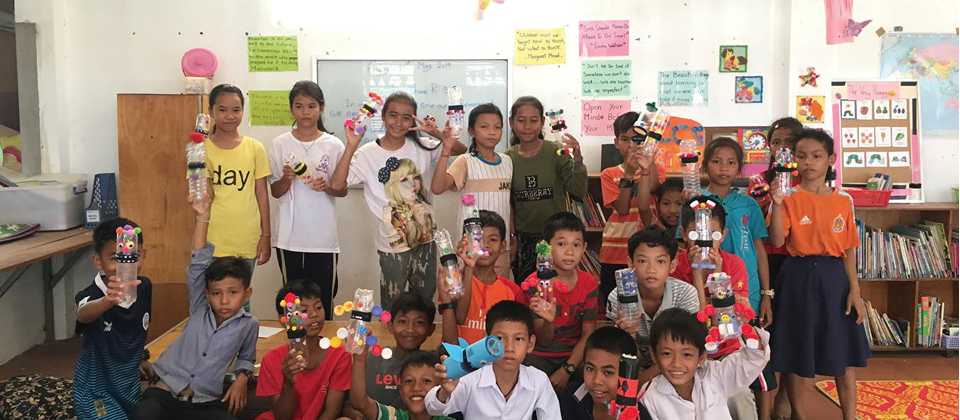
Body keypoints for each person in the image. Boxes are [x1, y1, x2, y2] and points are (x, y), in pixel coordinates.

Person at [329, 91, 466, 309]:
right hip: (391, 245)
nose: (398, 123)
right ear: (382, 117)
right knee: (393, 305)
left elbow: (460, 149)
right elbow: (336, 185)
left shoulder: (422, 144)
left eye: (406, 117)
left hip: (426, 240)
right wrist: (351, 146)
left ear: (413, 120)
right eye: (393, 115)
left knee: (424, 302)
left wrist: (438, 133)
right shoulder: (367, 153)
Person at [768, 128, 870, 420]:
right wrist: (776, 204)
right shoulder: (788, 196)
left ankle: (850, 416)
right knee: (799, 350)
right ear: (793, 160)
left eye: (816, 156)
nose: (808, 163)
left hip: (835, 277)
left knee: (844, 352)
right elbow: (777, 241)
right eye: (801, 156)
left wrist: (855, 290)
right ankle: (799, 414)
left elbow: (849, 249)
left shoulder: (843, 200)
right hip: (797, 276)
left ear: (831, 159)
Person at [137, 190, 258, 419]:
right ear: (206, 293)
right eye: (216, 293)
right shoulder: (200, 307)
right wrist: (203, 216)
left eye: (232, 292)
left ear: (247, 294)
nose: (223, 300)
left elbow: (247, 357)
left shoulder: (249, 324)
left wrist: (242, 379)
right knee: (143, 415)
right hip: (166, 391)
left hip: (204, 401)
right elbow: (199, 261)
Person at [269, 81, 346, 320]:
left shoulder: (333, 145)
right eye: (299, 106)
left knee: (323, 298)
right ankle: (296, 346)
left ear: (321, 108)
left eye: (311, 106)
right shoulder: (280, 143)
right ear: (292, 109)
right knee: (292, 299)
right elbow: (275, 191)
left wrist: (328, 187)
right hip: (289, 238)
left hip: (323, 238)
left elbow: (342, 190)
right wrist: (286, 179)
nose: (305, 112)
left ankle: (324, 350)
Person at [425, 300, 561, 419]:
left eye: (518, 339)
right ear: (487, 340)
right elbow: (432, 408)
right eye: (500, 338)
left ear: (530, 344)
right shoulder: (470, 377)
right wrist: (444, 392)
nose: (509, 347)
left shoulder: (538, 380)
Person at [73, 218, 152, 420]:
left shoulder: (144, 287)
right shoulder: (92, 294)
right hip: (96, 389)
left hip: (128, 384)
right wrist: (107, 301)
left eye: (131, 256)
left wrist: (140, 357)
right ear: (98, 261)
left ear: (142, 256)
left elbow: (137, 327)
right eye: (115, 258)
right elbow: (83, 313)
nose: (124, 265)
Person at [750, 117, 802, 420]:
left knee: (793, 333)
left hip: (797, 261)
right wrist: (774, 195)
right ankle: (765, 394)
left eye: (790, 142)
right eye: (777, 142)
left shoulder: (806, 181)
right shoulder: (760, 181)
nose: (783, 148)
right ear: (769, 146)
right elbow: (759, 224)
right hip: (769, 260)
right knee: (767, 328)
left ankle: (785, 397)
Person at [605, 226, 700, 386]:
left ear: (672, 265)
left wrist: (641, 381)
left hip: (675, 366)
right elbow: (617, 354)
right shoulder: (617, 297)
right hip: (634, 364)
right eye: (642, 261)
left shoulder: (685, 293)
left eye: (660, 261)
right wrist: (628, 337)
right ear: (630, 263)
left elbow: (687, 350)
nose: (651, 269)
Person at [507, 96, 588, 281]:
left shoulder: (557, 152)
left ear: (542, 122)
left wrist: (577, 159)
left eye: (534, 120)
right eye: (521, 120)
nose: (527, 126)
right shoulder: (507, 159)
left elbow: (578, 190)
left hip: (556, 238)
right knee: (528, 292)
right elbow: (508, 203)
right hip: (523, 240)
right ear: (511, 123)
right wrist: (512, 237)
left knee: (558, 292)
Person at [517, 212, 598, 392]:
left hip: (574, 355)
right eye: (561, 244)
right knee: (527, 379)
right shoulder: (534, 284)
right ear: (545, 247)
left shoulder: (590, 283)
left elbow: (588, 334)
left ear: (584, 247)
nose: (570, 252)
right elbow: (543, 340)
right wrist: (549, 320)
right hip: (539, 354)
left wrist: (567, 369)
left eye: (576, 245)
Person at [640, 308, 770, 419]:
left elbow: (754, 358)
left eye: (687, 354)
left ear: (702, 356)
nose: (677, 363)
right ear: (654, 355)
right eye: (667, 354)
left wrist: (745, 328)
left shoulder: (714, 376)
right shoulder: (649, 397)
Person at [431, 103, 513, 278]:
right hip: (471, 248)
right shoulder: (465, 161)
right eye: (484, 126)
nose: (492, 131)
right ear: (471, 131)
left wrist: (512, 237)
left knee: (497, 294)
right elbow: (437, 188)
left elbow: (508, 204)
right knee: (471, 296)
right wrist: (446, 150)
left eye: (497, 127)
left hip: (499, 247)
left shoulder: (507, 161)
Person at [700, 138, 772, 327]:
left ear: (739, 168)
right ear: (705, 166)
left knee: (745, 342)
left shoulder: (749, 204)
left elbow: (760, 250)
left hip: (748, 287)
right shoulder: (697, 202)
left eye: (731, 162)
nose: (723, 168)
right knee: (712, 336)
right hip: (706, 284)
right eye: (716, 161)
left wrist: (766, 294)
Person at [255, 280, 350, 420]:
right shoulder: (271, 360)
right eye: (304, 311)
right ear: (285, 320)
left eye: (318, 307)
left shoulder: (339, 355)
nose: (314, 314)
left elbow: (332, 412)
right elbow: (282, 416)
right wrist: (288, 383)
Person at [598, 111, 664, 310]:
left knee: (644, 303)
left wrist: (647, 160)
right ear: (616, 142)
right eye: (625, 139)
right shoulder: (609, 174)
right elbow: (622, 208)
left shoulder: (654, 168)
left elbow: (652, 187)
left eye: (637, 139)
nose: (631, 145)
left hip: (646, 253)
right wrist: (628, 172)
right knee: (616, 306)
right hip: (614, 252)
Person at [205, 83, 272, 268]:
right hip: (212, 238)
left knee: (242, 295)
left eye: (236, 110)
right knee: (216, 296)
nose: (230, 116)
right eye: (222, 109)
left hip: (247, 239)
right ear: (211, 111)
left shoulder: (255, 148)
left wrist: (266, 235)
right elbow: (203, 197)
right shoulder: (200, 150)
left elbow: (262, 196)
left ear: (243, 111)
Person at [449, 210, 523, 344]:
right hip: (460, 360)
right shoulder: (454, 281)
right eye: (478, 239)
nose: (485, 245)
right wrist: (469, 267)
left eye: (493, 239)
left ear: (503, 246)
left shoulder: (512, 291)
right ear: (466, 243)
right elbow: (460, 318)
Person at [558, 326, 653, 420]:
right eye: (590, 369)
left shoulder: (638, 415)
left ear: (628, 375)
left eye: (608, 372)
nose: (596, 380)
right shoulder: (570, 397)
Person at [350, 350, 454, 420]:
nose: (416, 388)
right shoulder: (393, 416)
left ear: (440, 387)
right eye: (409, 381)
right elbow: (360, 402)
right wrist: (359, 359)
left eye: (426, 381)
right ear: (400, 389)